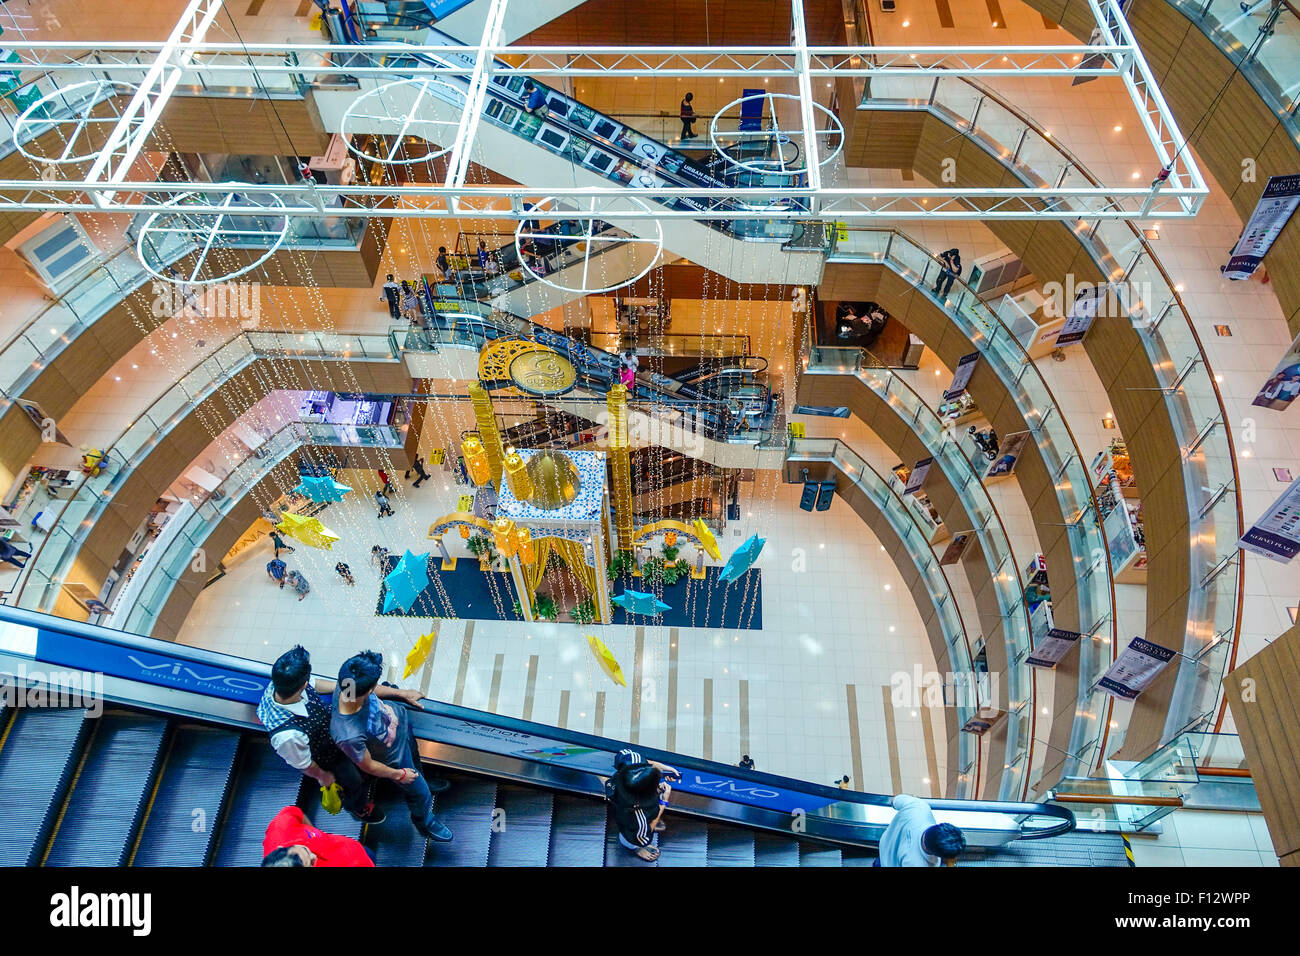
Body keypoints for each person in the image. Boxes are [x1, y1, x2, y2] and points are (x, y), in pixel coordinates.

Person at [330, 650, 453, 843]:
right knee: (421, 794)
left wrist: (401, 694)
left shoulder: (348, 684)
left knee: (417, 764)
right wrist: (399, 775)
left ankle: (423, 781)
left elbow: (374, 690)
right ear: (367, 690)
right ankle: (424, 822)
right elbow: (368, 766)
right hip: (394, 759)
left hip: (401, 729)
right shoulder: (347, 734)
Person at [257, 645, 383, 825]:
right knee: (353, 782)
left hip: (332, 738)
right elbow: (303, 763)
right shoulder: (287, 735)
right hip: (327, 757)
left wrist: (343, 687)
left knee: (359, 766)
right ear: (303, 685)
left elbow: (318, 684)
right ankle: (358, 807)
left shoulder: (282, 683)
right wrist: (322, 776)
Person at [606, 748, 680, 862]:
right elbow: (643, 835)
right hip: (630, 827)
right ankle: (634, 849)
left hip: (616, 793)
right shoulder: (637, 816)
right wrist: (664, 801)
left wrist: (664, 768)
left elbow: (632, 758)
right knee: (632, 839)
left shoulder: (631, 764)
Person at [261, 806, 375, 867]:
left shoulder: (281, 829)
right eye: (310, 863)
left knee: (370, 853)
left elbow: (294, 813)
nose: (313, 856)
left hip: (357, 850)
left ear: (280, 848)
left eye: (305, 850)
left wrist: (312, 829)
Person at [875, 793, 966, 867]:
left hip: (886, 844)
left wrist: (914, 799)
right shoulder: (916, 863)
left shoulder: (920, 807)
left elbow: (894, 800)